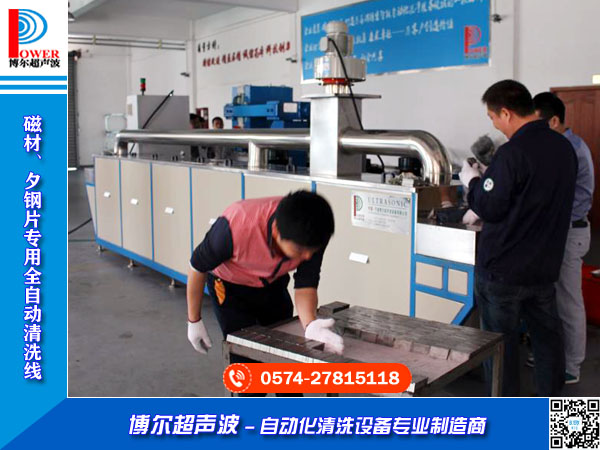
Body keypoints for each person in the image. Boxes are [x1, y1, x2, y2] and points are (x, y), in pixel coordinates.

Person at [459, 79, 577, 396]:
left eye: (493, 117)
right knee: (547, 342)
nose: (495, 125)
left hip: (504, 270)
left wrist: (473, 182)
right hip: (544, 268)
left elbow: (489, 207)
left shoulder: (512, 153)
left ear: (506, 113)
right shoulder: (563, 148)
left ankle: (507, 416)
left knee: (500, 349)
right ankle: (553, 413)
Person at [186, 191, 343, 381]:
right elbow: (197, 267)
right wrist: (194, 320)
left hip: (272, 283)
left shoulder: (313, 233)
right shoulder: (235, 227)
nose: (307, 257)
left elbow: (305, 285)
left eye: (312, 251)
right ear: (276, 232)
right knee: (246, 363)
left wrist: (310, 325)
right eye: (300, 251)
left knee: (285, 355)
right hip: (230, 289)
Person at [533, 92, 595, 384]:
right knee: (551, 296)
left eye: (538, 124)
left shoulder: (569, 149)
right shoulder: (562, 146)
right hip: (559, 230)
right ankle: (551, 354)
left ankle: (572, 364)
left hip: (571, 232)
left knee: (569, 300)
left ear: (555, 121)